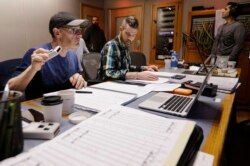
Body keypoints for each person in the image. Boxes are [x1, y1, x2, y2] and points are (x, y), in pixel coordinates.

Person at [8, 11, 88, 100]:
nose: (79, 35)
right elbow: (10, 90)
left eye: (80, 31)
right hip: (40, 108)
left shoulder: (73, 56)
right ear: (57, 33)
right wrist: (32, 68)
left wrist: (78, 79)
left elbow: (72, 82)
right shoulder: (37, 54)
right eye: (74, 31)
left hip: (64, 107)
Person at [99, 16, 158, 81]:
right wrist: (137, 75)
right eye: (128, 34)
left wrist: (144, 68)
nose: (130, 38)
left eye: (134, 35)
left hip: (121, 84)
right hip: (108, 86)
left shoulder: (125, 45)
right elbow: (108, 73)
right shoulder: (111, 46)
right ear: (121, 29)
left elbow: (127, 68)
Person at [208, 2, 246, 67]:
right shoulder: (221, 27)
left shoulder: (239, 26)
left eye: (226, 9)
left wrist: (229, 59)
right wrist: (213, 57)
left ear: (232, 11)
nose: (223, 11)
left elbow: (239, 45)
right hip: (217, 58)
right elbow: (216, 42)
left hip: (228, 60)